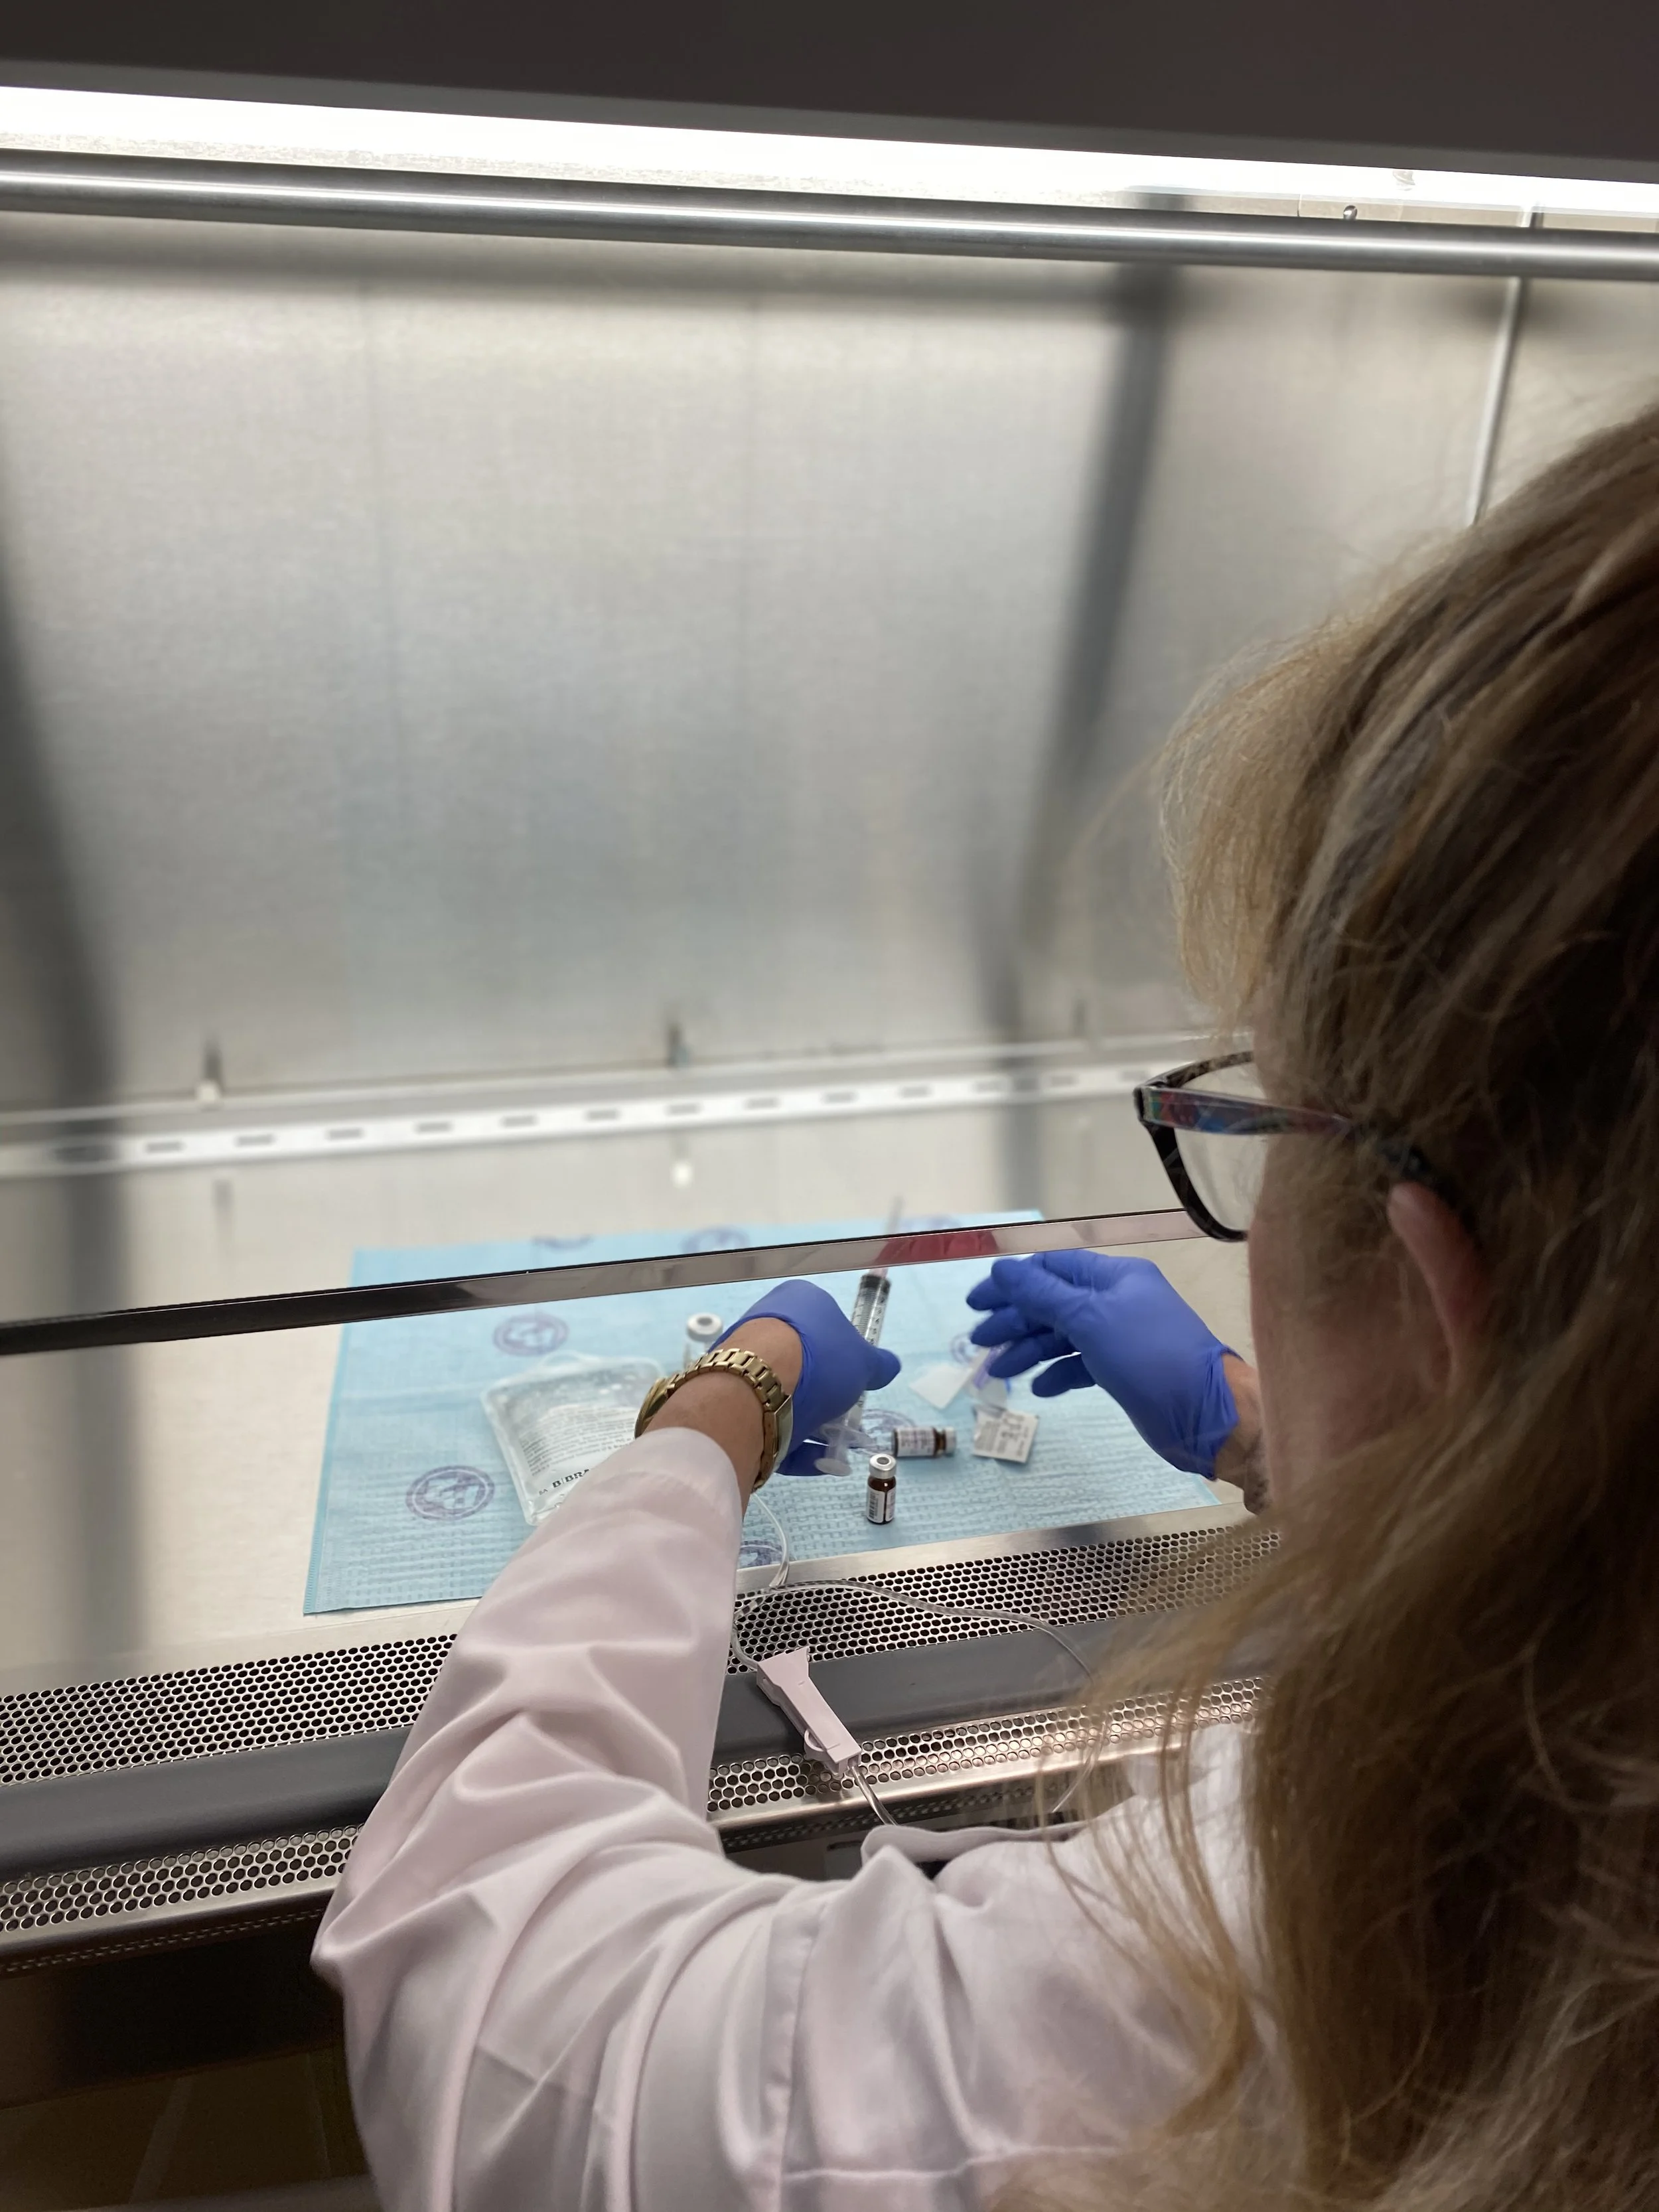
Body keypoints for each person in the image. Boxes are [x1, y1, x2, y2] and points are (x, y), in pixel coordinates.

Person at [315, 401, 1659, 2211]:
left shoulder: (1302, 1942)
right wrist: (1260, 1428)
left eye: (1264, 1117)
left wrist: (720, 1406)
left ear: (1433, 1296)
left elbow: (519, 2031)